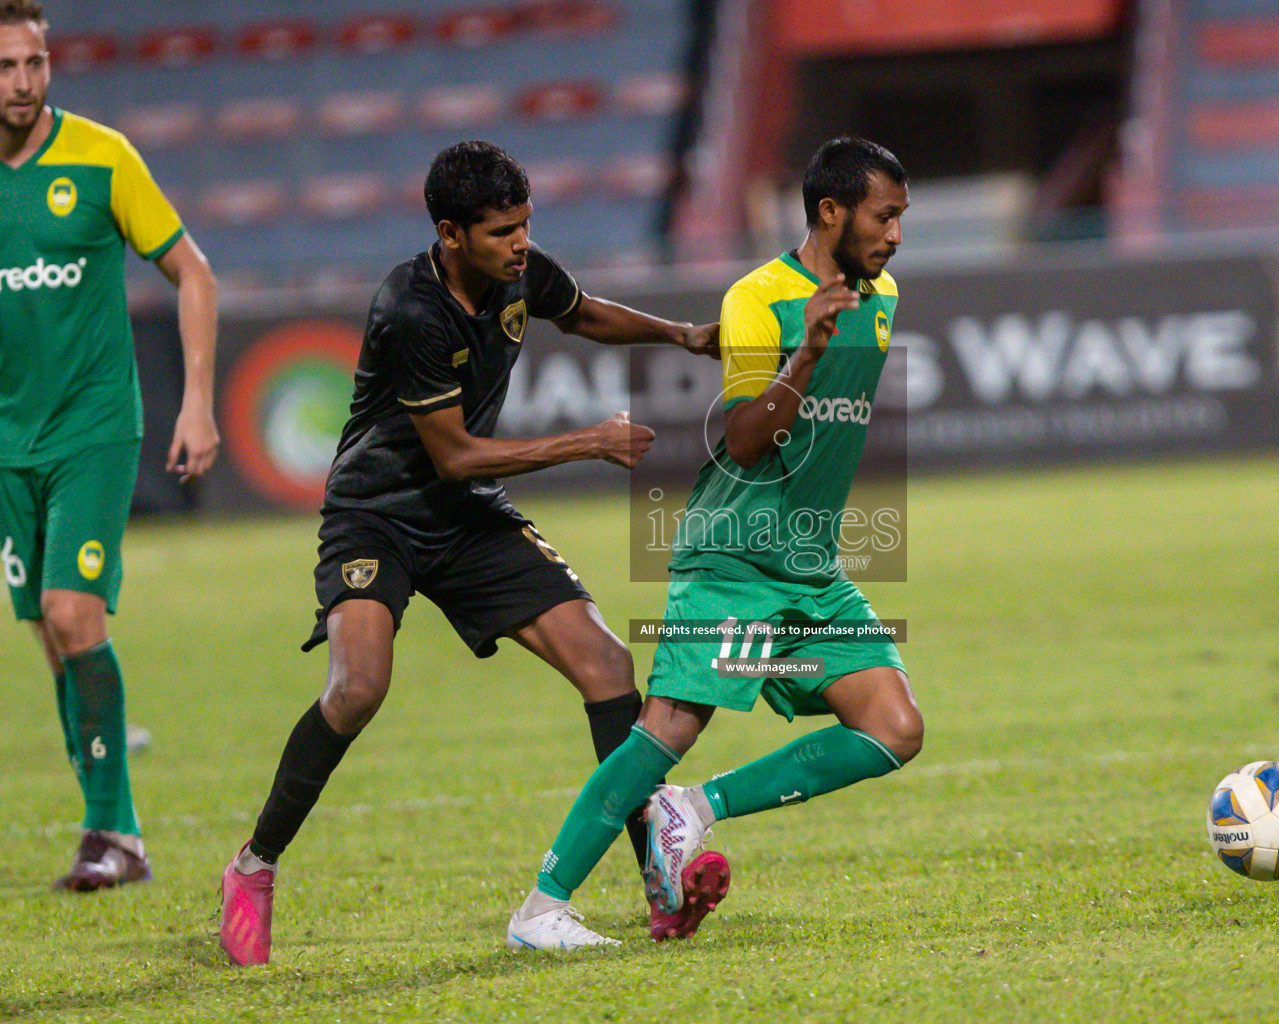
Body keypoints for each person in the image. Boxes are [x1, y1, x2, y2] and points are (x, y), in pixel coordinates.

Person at [218, 140, 721, 966]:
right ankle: (253, 865)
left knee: (607, 668)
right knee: (357, 689)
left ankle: (658, 886)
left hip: (464, 516)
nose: (521, 244)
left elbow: (583, 309)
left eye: (526, 225)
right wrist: (586, 442)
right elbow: (452, 453)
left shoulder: (519, 270)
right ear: (451, 234)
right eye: (502, 232)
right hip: (377, 514)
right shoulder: (411, 309)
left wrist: (684, 334)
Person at [507, 137, 923, 951]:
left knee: (892, 727)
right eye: (885, 215)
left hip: (808, 565)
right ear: (831, 213)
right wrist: (803, 350)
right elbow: (743, 443)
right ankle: (540, 909)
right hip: (731, 554)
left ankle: (691, 809)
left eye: (902, 217)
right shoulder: (756, 299)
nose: (896, 234)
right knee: (669, 725)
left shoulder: (884, 297)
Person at [0, 0, 220, 891]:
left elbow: (192, 271)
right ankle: (112, 828)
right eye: (5, 68)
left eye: (34, 65)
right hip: (9, 440)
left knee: (70, 614)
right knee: (52, 636)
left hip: (94, 427)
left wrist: (197, 401)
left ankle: (112, 832)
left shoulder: (102, 155)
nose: (21, 84)